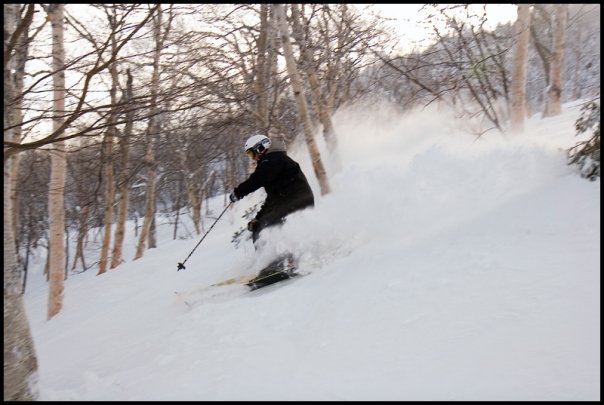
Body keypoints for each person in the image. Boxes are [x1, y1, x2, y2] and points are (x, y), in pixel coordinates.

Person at [229, 134, 314, 280]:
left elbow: (258, 179)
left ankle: (274, 265)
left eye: (252, 153)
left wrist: (239, 192)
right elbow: (272, 198)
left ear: (261, 148)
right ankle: (280, 261)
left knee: (268, 227)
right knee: (260, 225)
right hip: (291, 201)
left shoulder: (274, 159)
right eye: (249, 155)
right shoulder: (272, 162)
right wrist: (258, 217)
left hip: (297, 200)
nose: (253, 158)